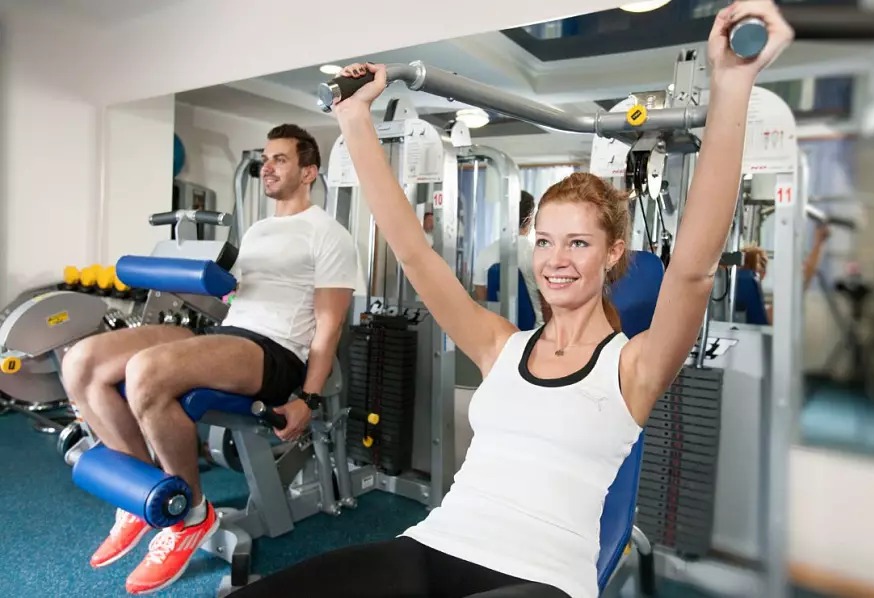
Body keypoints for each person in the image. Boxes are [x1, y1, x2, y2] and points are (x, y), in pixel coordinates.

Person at [232, 3, 794, 597]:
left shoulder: (634, 366)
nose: (556, 260)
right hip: (437, 545)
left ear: (612, 253)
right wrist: (354, 118)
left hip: (544, 577)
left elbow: (693, 273)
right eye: (544, 241)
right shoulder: (500, 345)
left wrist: (732, 84)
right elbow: (414, 254)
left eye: (578, 243)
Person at [61, 124, 360, 595]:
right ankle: (142, 496)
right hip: (229, 333)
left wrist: (308, 398)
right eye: (266, 158)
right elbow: (236, 297)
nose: (267, 166)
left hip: (275, 351)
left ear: (309, 172)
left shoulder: (329, 234)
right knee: (81, 361)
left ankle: (191, 515)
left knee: (145, 371)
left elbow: (330, 325)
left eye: (280, 159)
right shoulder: (258, 230)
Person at [473, 190, 548, 326]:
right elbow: (547, 304)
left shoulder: (484, 255)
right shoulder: (537, 254)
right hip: (535, 333)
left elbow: (482, 303)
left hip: (498, 333)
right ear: (530, 219)